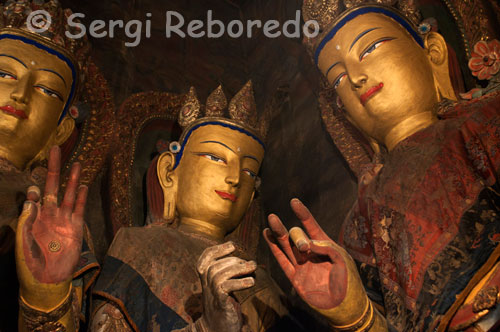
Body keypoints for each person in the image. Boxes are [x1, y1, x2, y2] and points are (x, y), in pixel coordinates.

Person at [264, 1, 500, 331]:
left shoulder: (483, 124)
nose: (357, 79)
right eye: (338, 79)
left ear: (431, 52)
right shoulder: (364, 213)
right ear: (342, 113)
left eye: (371, 47)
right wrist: (356, 314)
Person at [0, 1, 106, 331]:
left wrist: (45, 299)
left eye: (46, 89)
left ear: (59, 130)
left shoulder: (51, 226)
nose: (19, 95)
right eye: (4, 73)